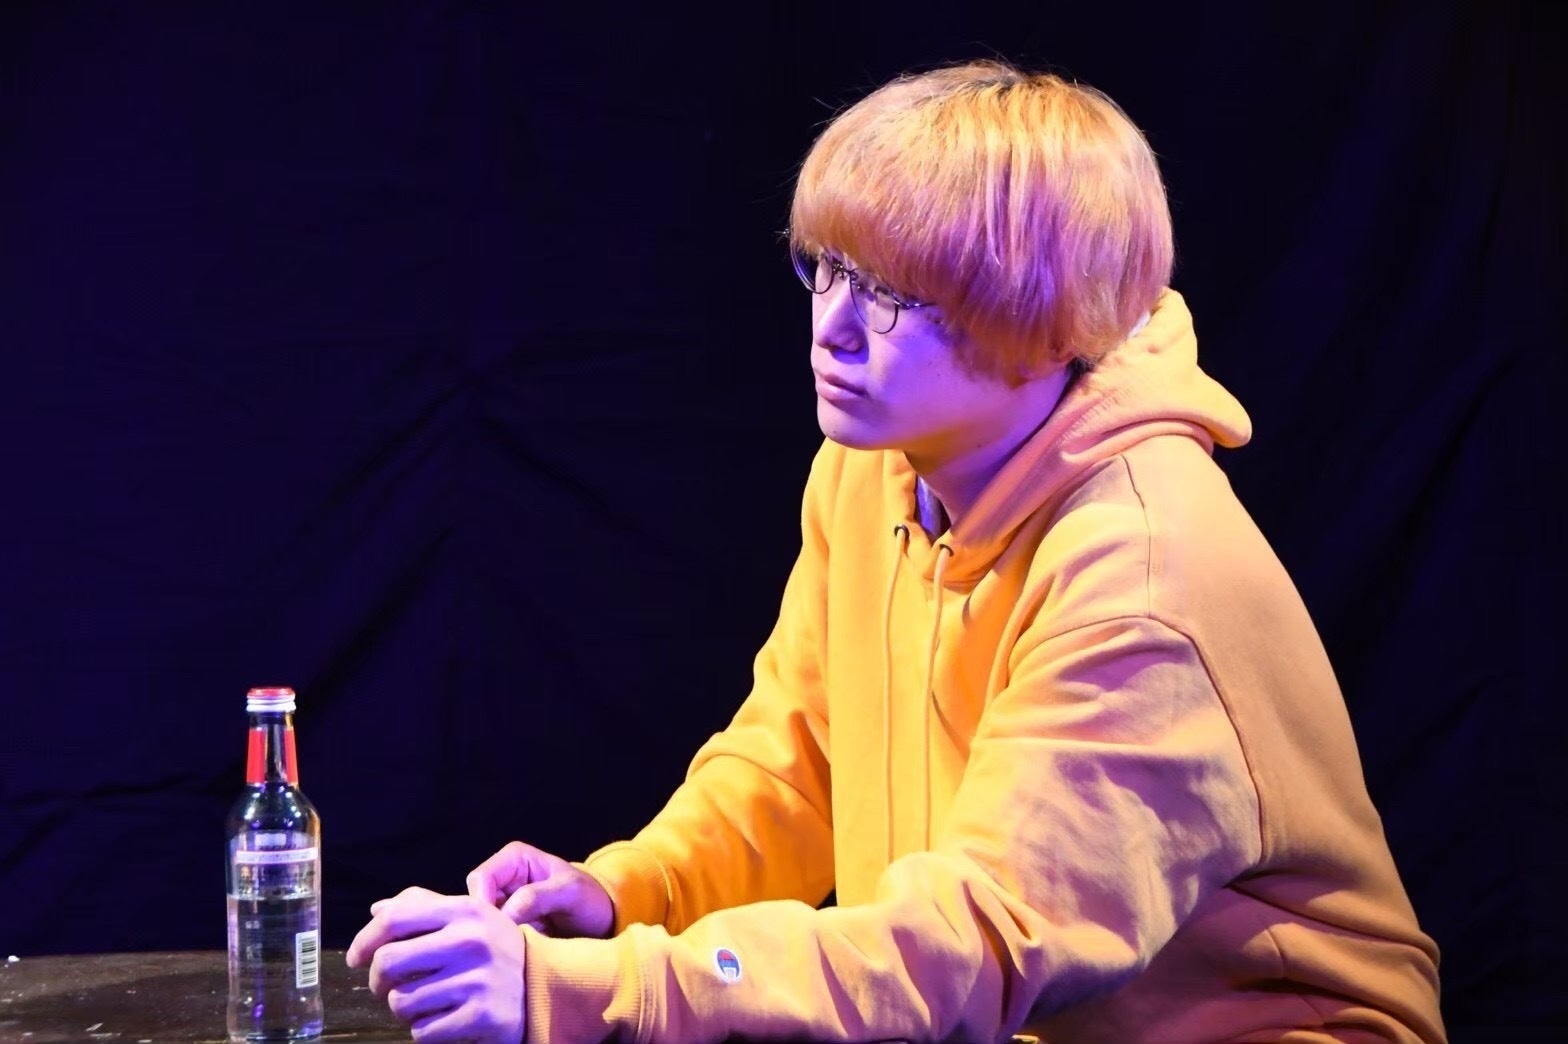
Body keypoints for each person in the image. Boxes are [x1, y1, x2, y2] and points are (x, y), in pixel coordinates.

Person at [346, 60, 1446, 1043]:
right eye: (824, 267)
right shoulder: (877, 466)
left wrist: (591, 990)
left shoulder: (1142, 579)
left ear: (1047, 323)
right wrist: (623, 895)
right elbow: (795, 761)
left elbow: (972, 947)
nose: (829, 326)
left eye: (891, 295)